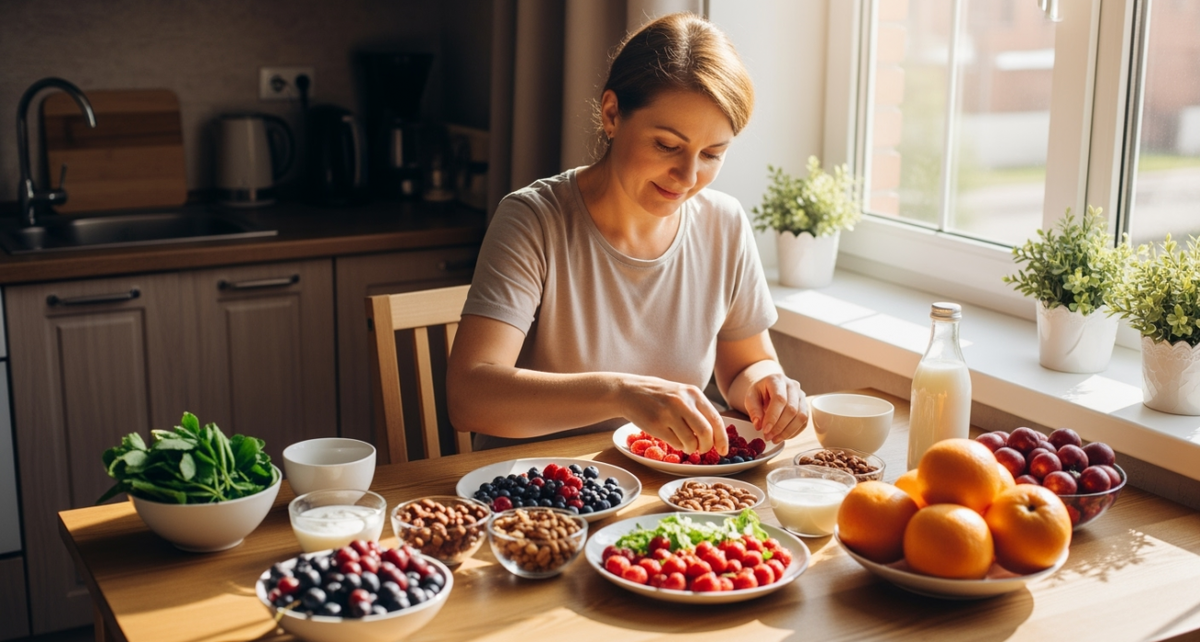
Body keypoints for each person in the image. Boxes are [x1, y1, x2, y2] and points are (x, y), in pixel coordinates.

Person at [447, 12, 808, 455]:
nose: (687, 176)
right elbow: (469, 397)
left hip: (658, 491)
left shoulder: (724, 224)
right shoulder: (533, 219)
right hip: (535, 493)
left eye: (712, 154)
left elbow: (743, 368)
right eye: (667, 146)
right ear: (612, 114)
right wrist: (619, 393)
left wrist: (768, 384)